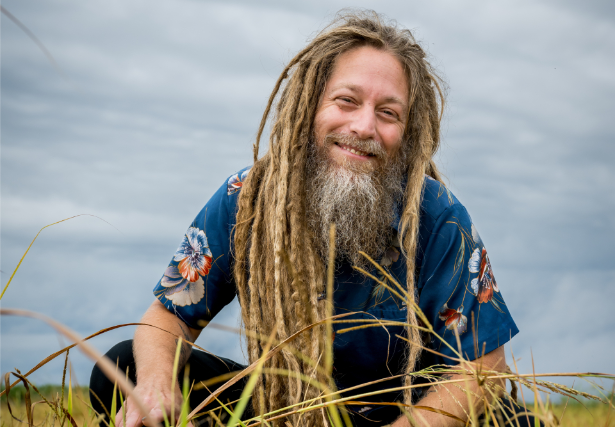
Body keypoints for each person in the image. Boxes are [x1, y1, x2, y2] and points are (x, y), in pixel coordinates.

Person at [90, 11, 532, 427]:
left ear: (407, 133)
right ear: (308, 107)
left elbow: (483, 368)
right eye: (347, 101)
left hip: (411, 413)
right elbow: (170, 315)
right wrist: (155, 383)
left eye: (388, 113)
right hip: (287, 409)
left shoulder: (438, 216)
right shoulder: (248, 199)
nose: (364, 127)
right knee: (123, 368)